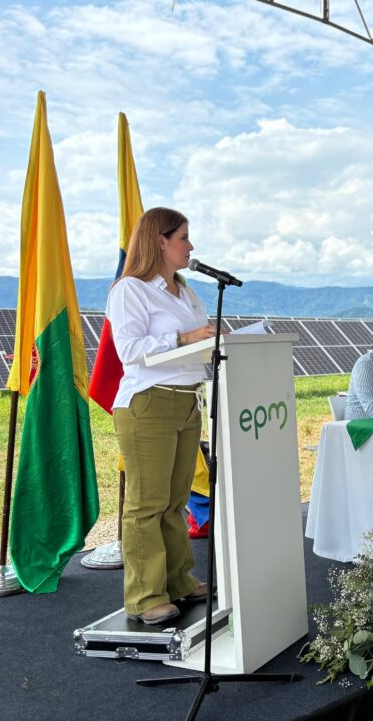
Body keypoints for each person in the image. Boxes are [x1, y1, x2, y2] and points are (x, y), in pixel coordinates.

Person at [106, 207, 216, 626]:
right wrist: (183, 337)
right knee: (147, 504)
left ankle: (178, 581)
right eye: (184, 238)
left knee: (173, 501)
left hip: (188, 400)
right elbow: (129, 351)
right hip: (148, 402)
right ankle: (145, 595)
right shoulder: (131, 290)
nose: (191, 246)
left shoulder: (186, 291)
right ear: (159, 241)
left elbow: (198, 343)